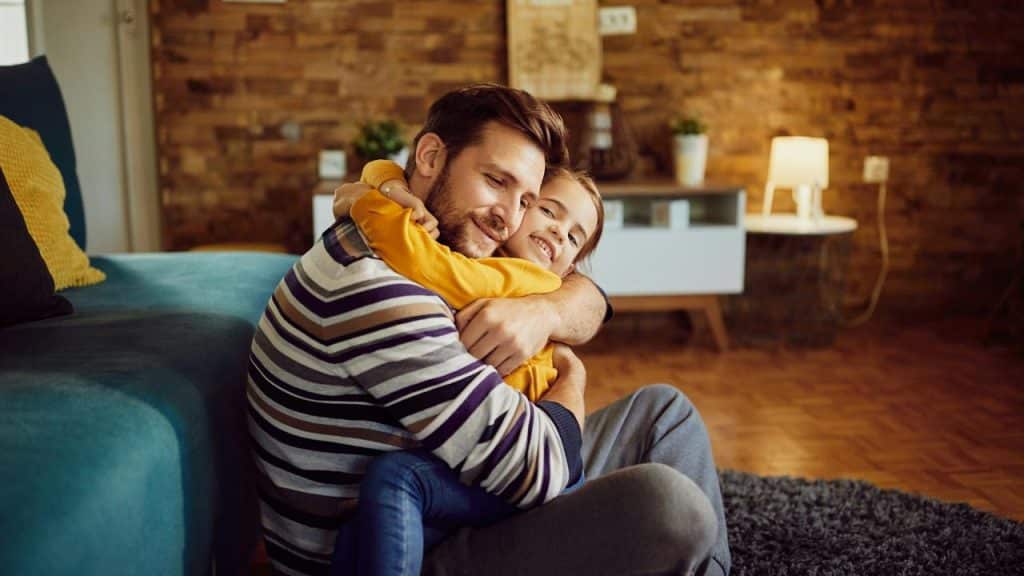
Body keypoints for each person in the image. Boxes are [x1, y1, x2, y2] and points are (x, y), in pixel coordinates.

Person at [247, 83, 730, 576]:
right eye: (496, 180)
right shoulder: (381, 294)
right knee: (669, 506)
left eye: (526, 200)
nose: (508, 218)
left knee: (665, 412)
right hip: (404, 545)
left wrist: (546, 313)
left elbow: (584, 292)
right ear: (431, 157)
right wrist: (572, 375)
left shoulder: (402, 229)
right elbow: (542, 470)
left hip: (468, 479)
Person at [327, 159, 604, 575]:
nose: (558, 233)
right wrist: (387, 186)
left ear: (570, 267)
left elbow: (428, 264)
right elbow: (382, 166)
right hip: (479, 459)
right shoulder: (488, 260)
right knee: (358, 531)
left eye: (574, 237)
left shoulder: (529, 279)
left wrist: (368, 204)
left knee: (395, 479)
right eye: (548, 210)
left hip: (529, 466)